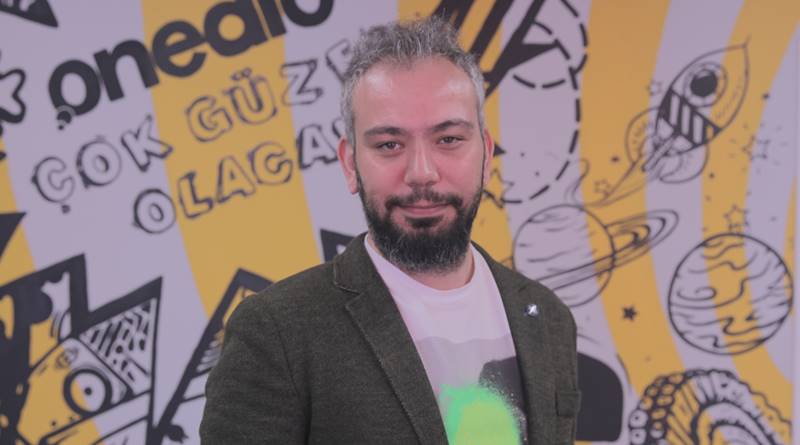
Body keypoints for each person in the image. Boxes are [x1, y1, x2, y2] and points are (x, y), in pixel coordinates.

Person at [200, 16, 580, 445]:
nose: (422, 172)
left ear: (487, 154)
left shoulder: (549, 319)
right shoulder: (276, 332)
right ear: (350, 164)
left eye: (449, 139)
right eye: (389, 145)